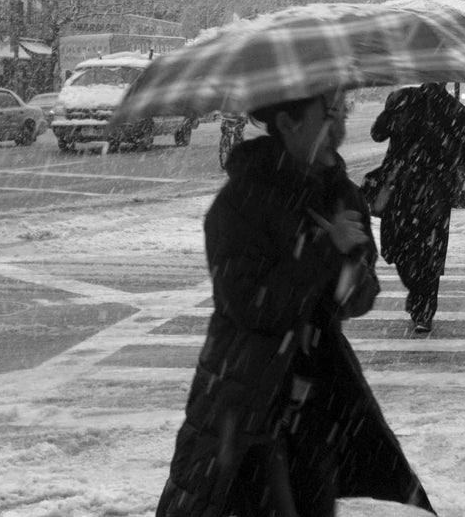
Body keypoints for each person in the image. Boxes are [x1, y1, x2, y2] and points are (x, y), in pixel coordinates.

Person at [156, 90, 433, 517]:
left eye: (343, 111)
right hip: (248, 394)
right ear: (287, 123)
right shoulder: (241, 201)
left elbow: (357, 298)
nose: (339, 127)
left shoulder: (340, 194)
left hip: (318, 399)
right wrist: (324, 250)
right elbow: (249, 303)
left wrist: (350, 272)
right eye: (327, 115)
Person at [368, 82, 465, 334]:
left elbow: (460, 155)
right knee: (403, 250)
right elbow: (378, 133)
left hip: (430, 193)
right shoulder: (403, 98)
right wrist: (393, 111)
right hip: (403, 190)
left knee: (425, 253)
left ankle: (423, 308)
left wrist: (432, 132)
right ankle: (420, 299)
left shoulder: (456, 110)